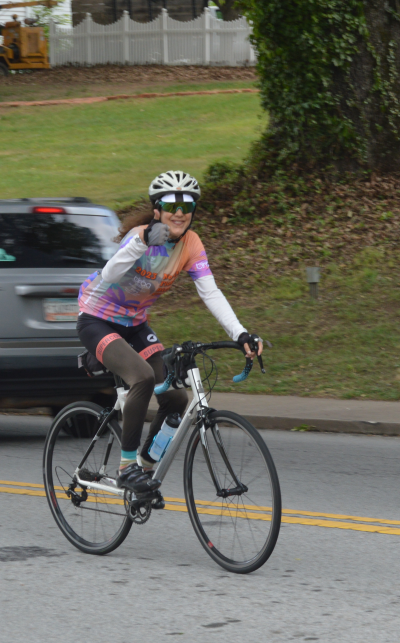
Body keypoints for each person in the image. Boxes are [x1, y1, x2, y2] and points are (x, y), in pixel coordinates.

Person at [76, 170, 263, 494]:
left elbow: (210, 292)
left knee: (176, 398)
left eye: (187, 205)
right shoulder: (139, 236)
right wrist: (142, 242)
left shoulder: (191, 244)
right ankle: (127, 468)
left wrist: (240, 334)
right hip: (97, 319)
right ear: (157, 210)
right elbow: (110, 273)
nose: (179, 212)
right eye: (171, 205)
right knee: (143, 377)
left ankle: (146, 469)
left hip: (135, 324)